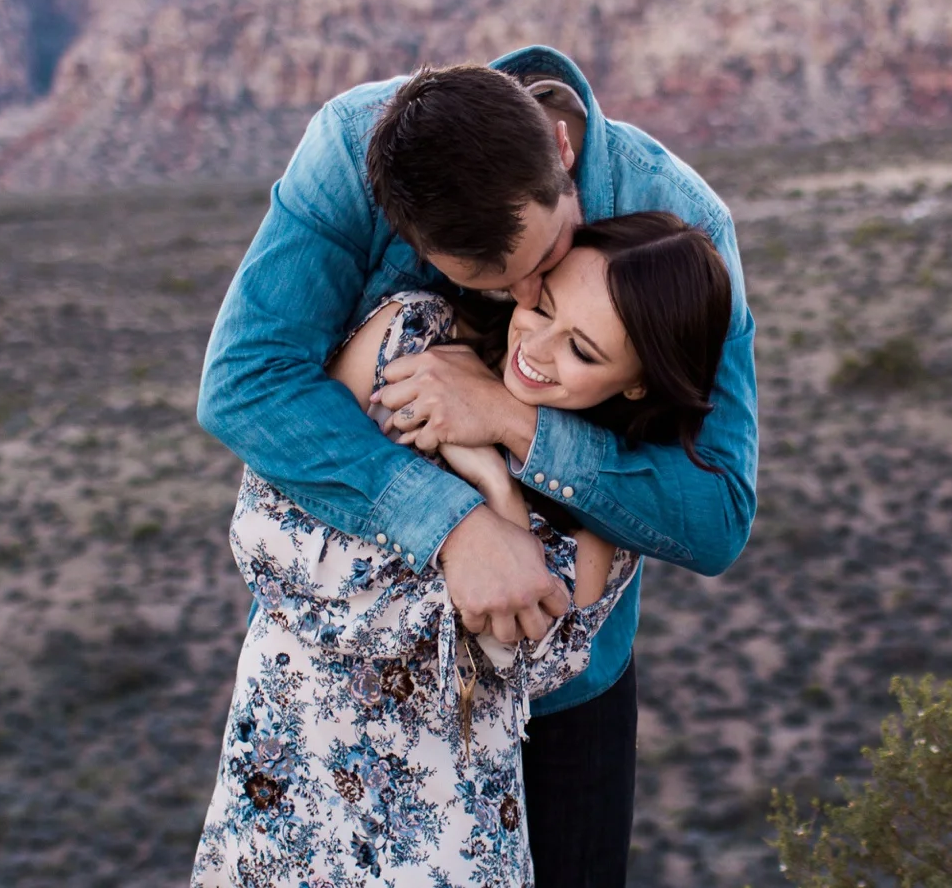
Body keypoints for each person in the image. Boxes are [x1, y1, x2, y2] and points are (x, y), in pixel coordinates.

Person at [197, 47, 758, 883]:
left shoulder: (683, 226)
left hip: (559, 700)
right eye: (501, 288)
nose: (524, 312)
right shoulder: (353, 151)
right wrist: (454, 523)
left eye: (547, 266)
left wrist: (512, 420)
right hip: (349, 678)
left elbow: (716, 517)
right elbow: (245, 382)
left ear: (560, 155)